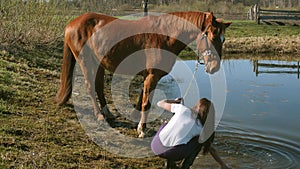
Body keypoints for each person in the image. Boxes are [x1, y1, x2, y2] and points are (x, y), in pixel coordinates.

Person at [151, 98, 228, 169]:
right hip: (172, 153)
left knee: (166, 125)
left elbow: (160, 103)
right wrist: (222, 164)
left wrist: (174, 101)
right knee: (199, 142)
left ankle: (170, 164)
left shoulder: (181, 109)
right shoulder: (201, 129)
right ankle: (185, 167)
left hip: (156, 146)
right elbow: (211, 149)